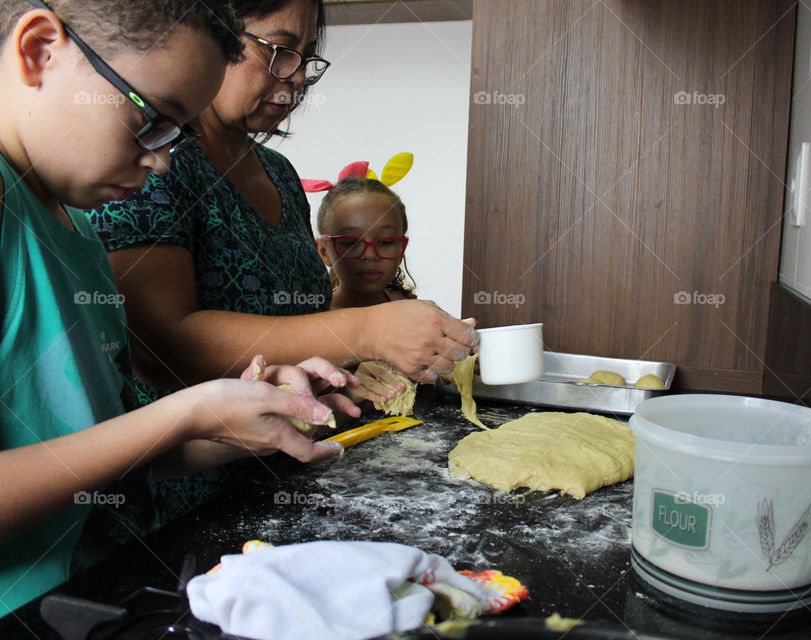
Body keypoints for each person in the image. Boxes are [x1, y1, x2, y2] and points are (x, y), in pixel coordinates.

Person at [0, 0, 360, 615]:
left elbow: (97, 451)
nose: (164, 159)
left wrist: (229, 423)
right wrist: (186, 411)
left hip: (80, 597)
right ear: (39, 51)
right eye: (153, 122)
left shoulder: (80, 228)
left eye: (181, 132)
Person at [87, 0, 477, 408]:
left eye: (306, 59)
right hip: (191, 459)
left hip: (294, 446)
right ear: (210, 34)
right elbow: (160, 346)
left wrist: (341, 368)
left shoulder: (280, 174)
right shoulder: (153, 163)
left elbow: (294, 332)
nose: (296, 77)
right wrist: (364, 331)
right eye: (278, 51)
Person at [314, 168, 418, 309]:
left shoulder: (415, 314)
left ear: (402, 248)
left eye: (385, 242)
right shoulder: (312, 318)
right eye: (351, 243)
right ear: (324, 251)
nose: (370, 255)